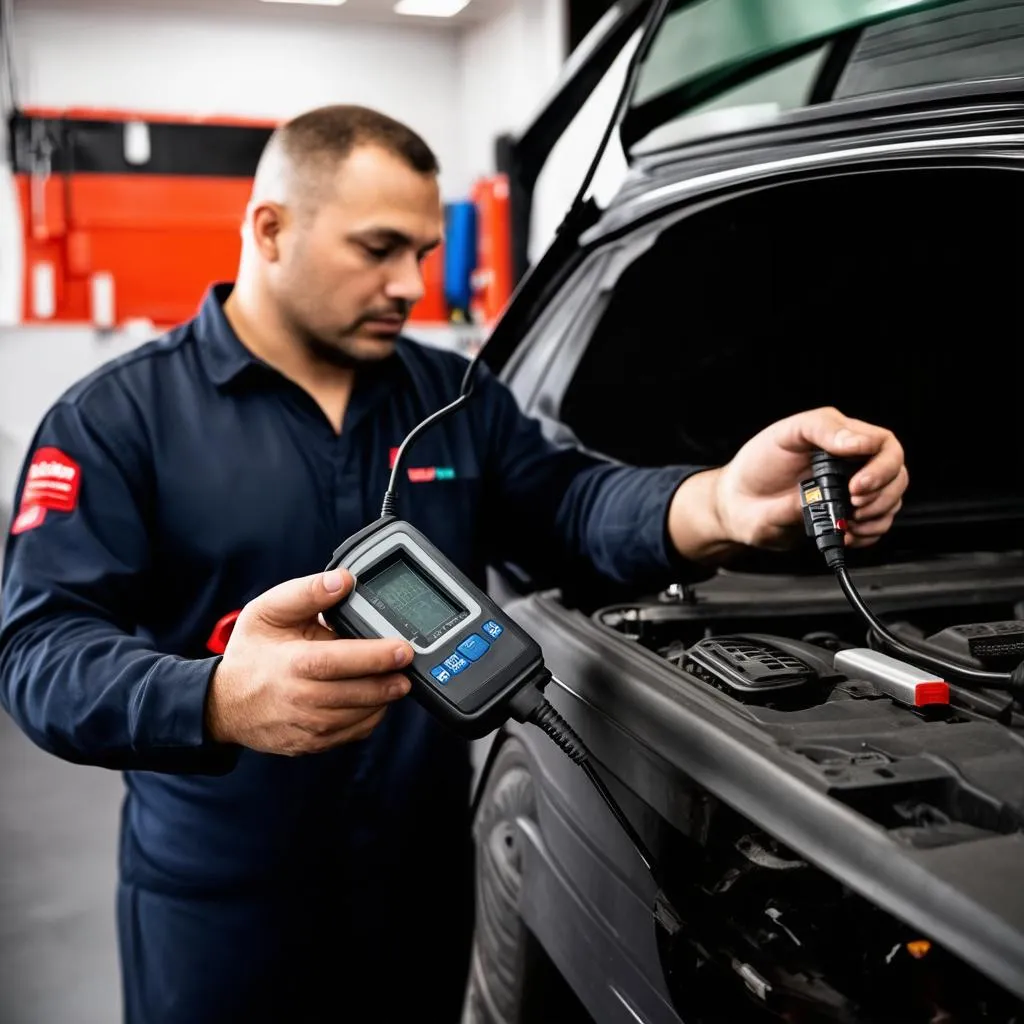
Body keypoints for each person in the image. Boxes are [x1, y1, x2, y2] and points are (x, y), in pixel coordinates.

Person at [0, 105, 908, 1024]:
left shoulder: (451, 397)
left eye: (424, 254)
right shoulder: (116, 419)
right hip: (221, 907)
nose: (410, 284)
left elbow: (571, 505)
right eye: (379, 248)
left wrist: (717, 505)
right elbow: (40, 652)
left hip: (419, 890)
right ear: (269, 229)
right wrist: (215, 700)